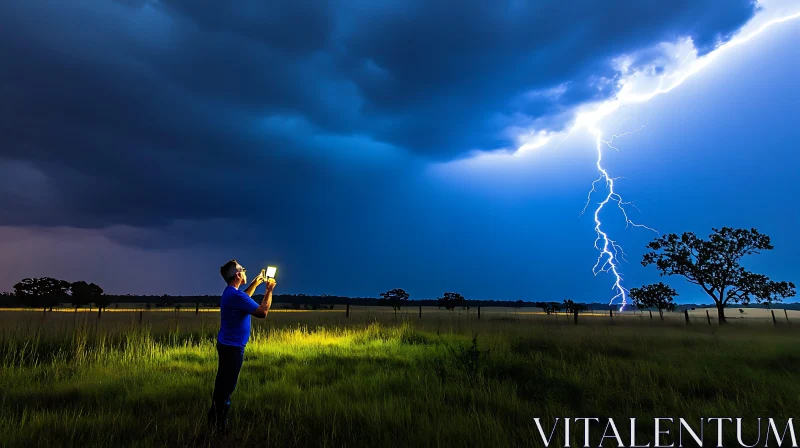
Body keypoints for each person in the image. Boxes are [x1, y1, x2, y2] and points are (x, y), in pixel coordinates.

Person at [207, 259, 276, 432]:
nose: (245, 271)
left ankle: (213, 419)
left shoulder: (231, 293)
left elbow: (244, 298)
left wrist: (256, 281)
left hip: (226, 344)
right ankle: (219, 427)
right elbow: (263, 312)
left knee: (222, 384)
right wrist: (268, 290)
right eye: (243, 269)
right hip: (233, 348)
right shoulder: (235, 295)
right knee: (227, 387)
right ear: (238, 275)